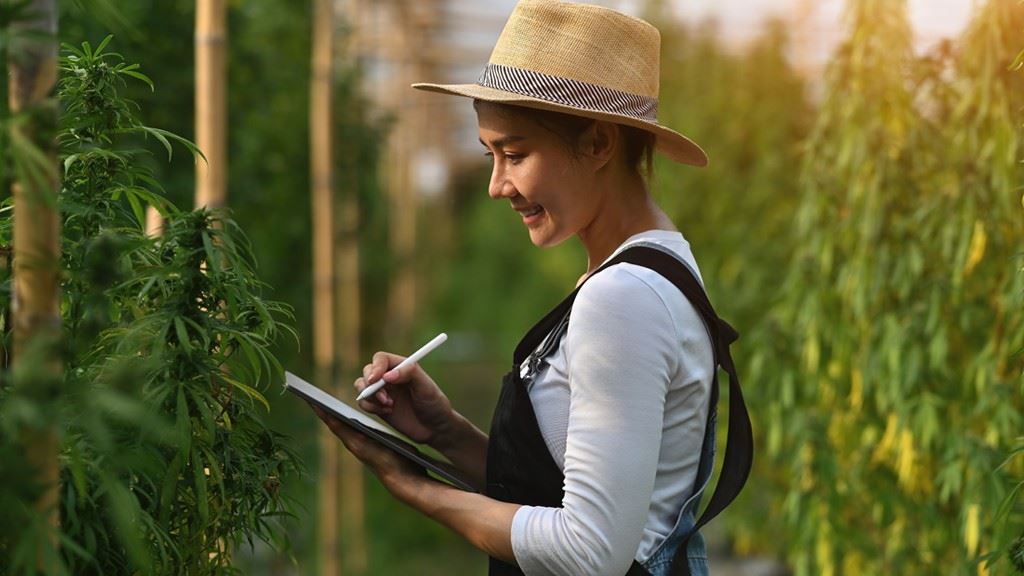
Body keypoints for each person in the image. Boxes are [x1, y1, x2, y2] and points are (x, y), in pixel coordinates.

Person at [309, 1, 751, 575]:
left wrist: (416, 488)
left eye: (515, 155)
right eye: (490, 155)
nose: (497, 185)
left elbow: (590, 551)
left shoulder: (622, 299)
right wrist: (445, 433)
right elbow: (567, 496)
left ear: (598, 144)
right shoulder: (655, 267)